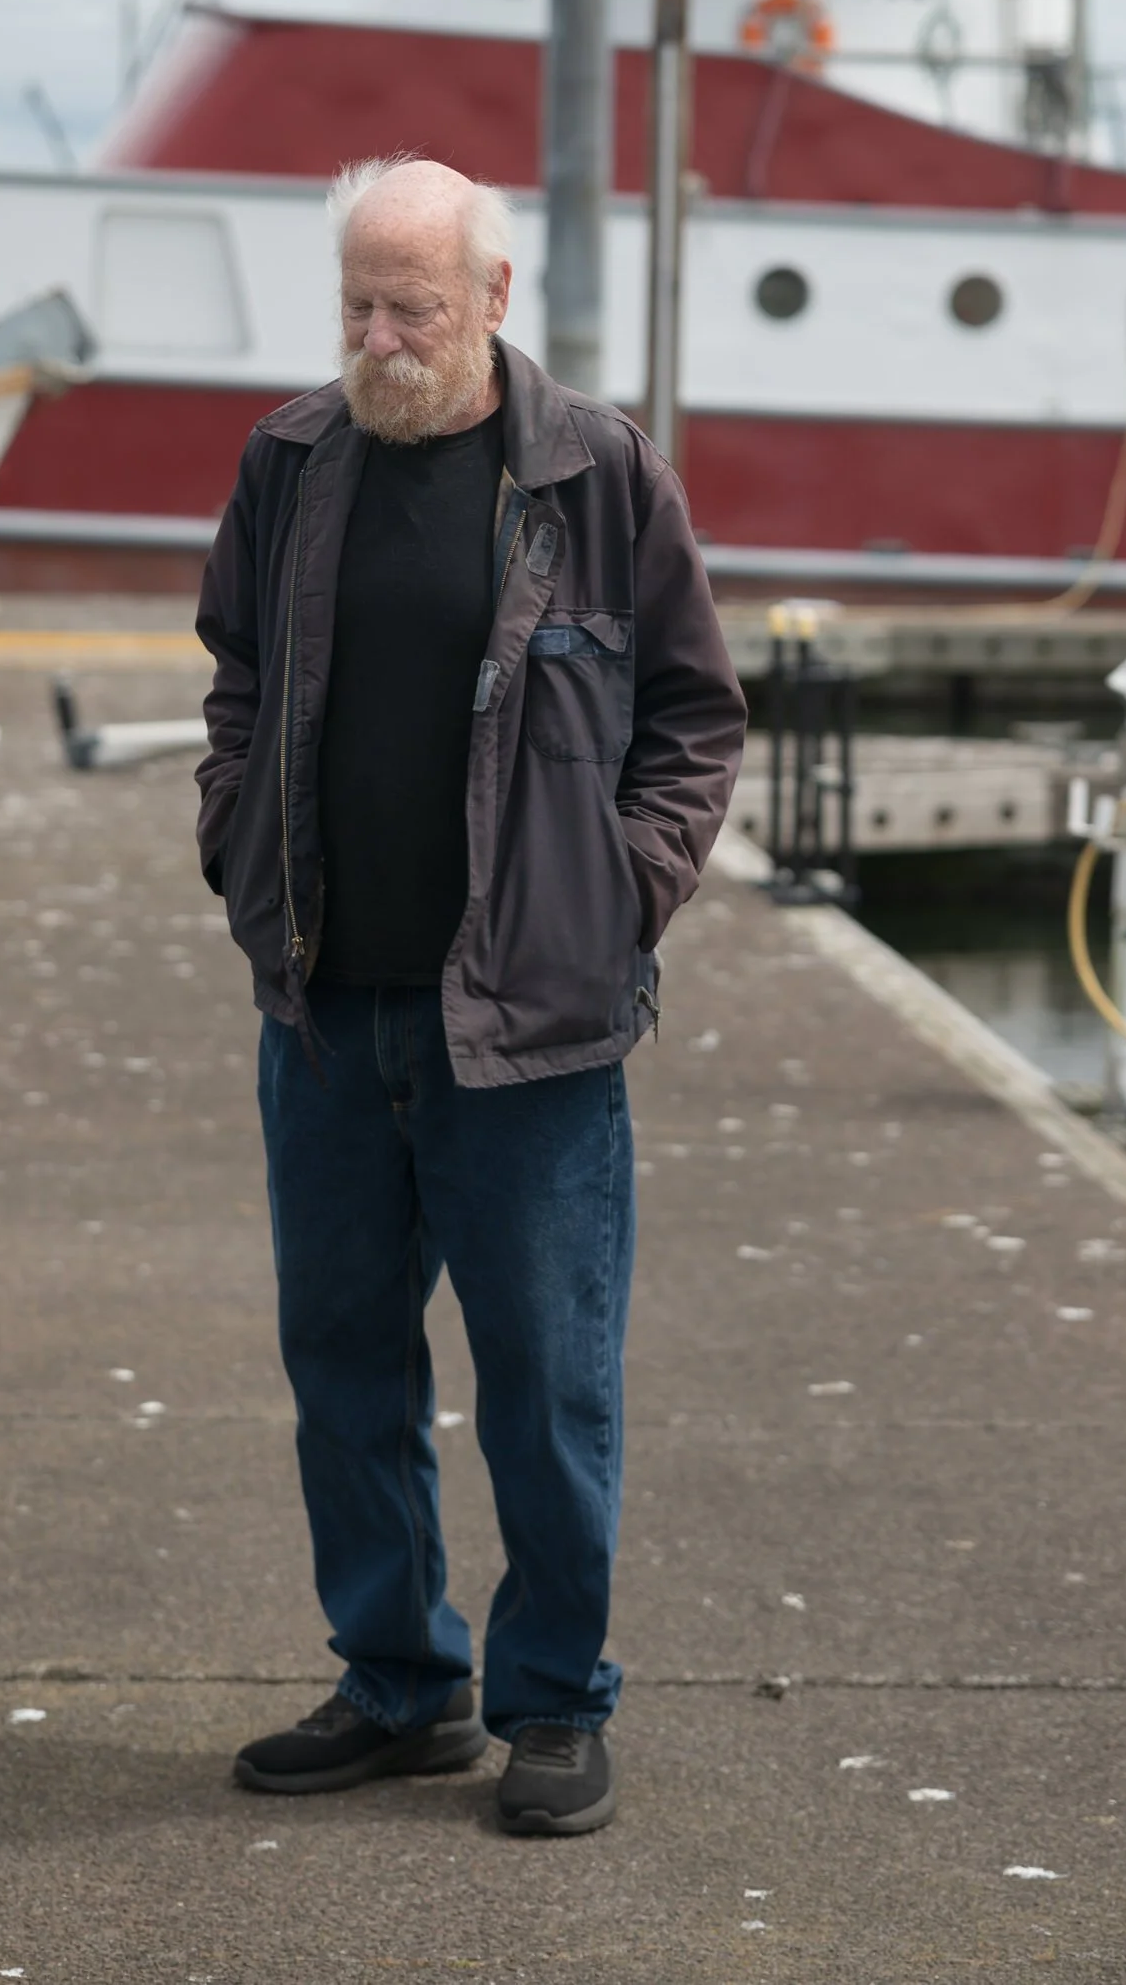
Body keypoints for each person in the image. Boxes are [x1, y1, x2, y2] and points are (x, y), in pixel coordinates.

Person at [194, 155, 745, 1836]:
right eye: (359, 301)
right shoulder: (291, 461)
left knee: (545, 1376)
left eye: (411, 305)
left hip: (535, 1026)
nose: (379, 333)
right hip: (329, 1010)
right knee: (345, 1362)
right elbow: (233, 677)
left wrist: (619, 893)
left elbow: (694, 721)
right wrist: (239, 853)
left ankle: (556, 1701)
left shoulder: (598, 471)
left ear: (493, 299)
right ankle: (397, 1681)